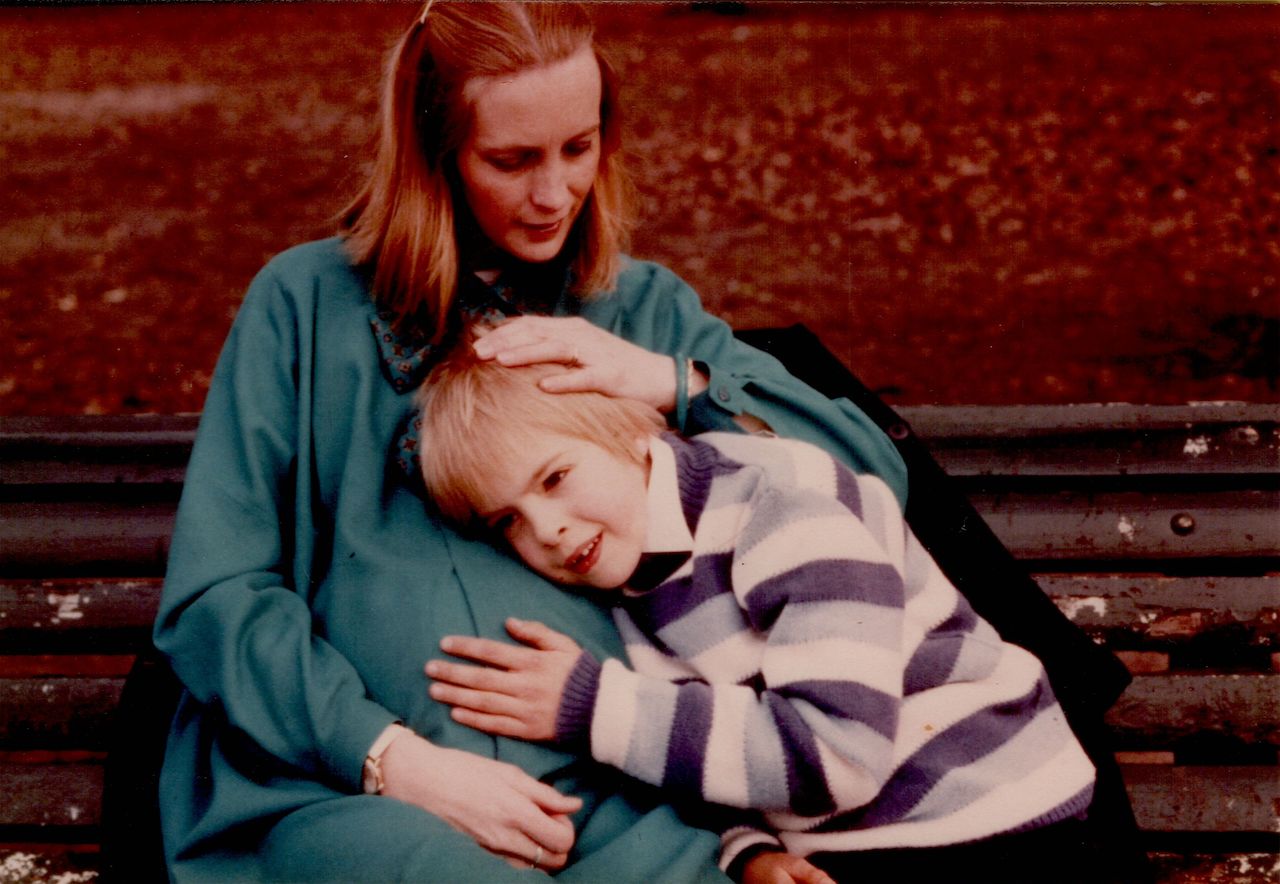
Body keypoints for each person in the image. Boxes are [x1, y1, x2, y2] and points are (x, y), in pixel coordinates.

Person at [150, 3, 909, 881]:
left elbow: (869, 489)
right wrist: (393, 759)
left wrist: (663, 379)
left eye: (577, 148)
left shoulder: (637, 308)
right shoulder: (305, 306)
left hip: (624, 817)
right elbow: (217, 595)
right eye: (512, 161)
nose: (555, 195)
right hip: (345, 795)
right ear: (435, 154)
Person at [416, 345, 1105, 884]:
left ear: (627, 431)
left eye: (555, 478)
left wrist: (598, 708)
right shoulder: (629, 578)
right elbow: (717, 751)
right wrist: (748, 852)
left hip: (987, 818)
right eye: (509, 520)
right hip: (865, 842)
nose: (550, 531)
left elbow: (837, 756)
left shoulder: (779, 509)